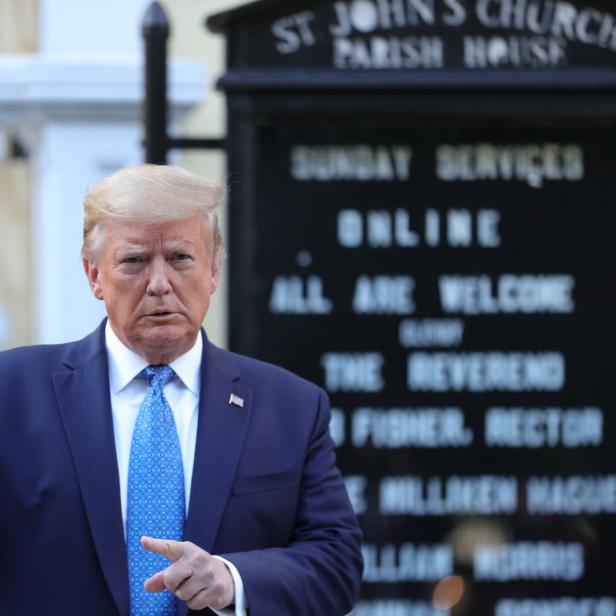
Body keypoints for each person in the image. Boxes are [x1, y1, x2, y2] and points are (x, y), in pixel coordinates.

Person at [0, 165, 363, 616]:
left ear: (213, 269)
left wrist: (233, 578)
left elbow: (336, 564)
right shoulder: (11, 394)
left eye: (180, 258)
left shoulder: (290, 407)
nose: (159, 284)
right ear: (94, 275)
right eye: (133, 261)